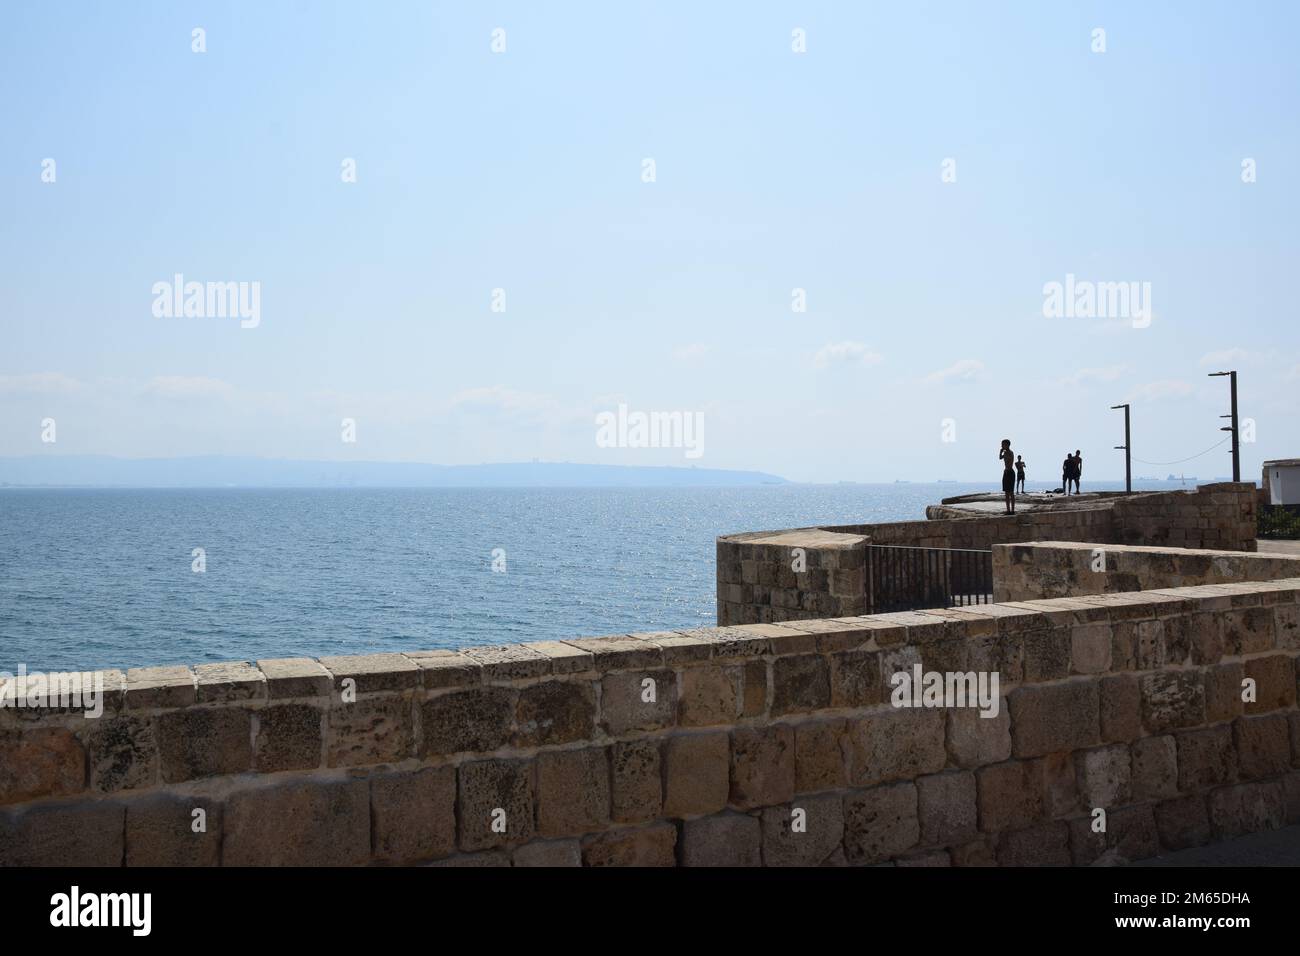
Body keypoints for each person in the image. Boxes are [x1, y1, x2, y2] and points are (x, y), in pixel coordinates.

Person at [999, 439, 1017, 514]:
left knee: (1011, 492)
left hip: (1010, 472)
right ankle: (1008, 510)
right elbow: (1000, 458)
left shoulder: (1010, 452)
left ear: (1007, 445)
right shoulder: (1005, 453)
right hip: (1006, 472)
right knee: (1006, 492)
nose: (1001, 446)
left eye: (1003, 444)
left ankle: (1012, 510)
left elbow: (1009, 462)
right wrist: (1000, 452)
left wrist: (1003, 452)